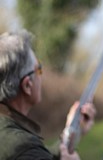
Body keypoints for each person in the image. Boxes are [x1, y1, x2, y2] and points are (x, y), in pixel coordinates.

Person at [0, 30, 96, 160]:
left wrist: (70, 132)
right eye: (38, 68)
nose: (41, 74)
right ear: (27, 85)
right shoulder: (24, 148)